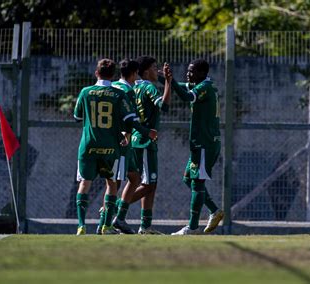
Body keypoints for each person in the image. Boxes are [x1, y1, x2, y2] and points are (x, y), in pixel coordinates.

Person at [73, 58, 156, 235]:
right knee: (112, 184)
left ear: (96, 73)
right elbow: (131, 119)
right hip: (111, 146)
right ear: (113, 75)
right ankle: (107, 224)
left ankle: (81, 225)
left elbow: (77, 116)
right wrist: (145, 131)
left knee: (84, 183)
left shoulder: (86, 91)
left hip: (88, 145)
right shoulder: (120, 94)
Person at [165, 59, 224, 235]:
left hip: (205, 144)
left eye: (192, 71)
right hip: (199, 144)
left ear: (202, 73)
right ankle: (214, 210)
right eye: (188, 71)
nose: (188, 74)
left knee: (197, 183)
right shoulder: (202, 85)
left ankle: (192, 227)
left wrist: (171, 80)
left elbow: (185, 96)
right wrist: (163, 78)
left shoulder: (203, 88)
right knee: (188, 179)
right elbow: (180, 85)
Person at [114, 56, 172, 235]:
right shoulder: (148, 86)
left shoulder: (135, 86)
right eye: (155, 68)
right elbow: (164, 106)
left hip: (136, 139)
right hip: (146, 141)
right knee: (148, 184)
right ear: (146, 71)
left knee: (149, 183)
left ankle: (145, 226)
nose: (158, 71)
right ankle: (115, 211)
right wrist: (168, 83)